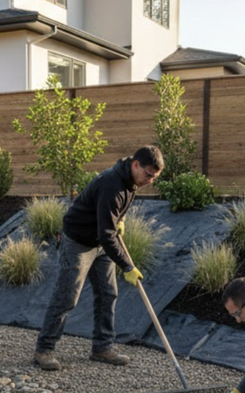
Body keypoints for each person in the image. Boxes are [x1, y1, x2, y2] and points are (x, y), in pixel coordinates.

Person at [33, 146, 163, 371]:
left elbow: (114, 217)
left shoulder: (130, 182)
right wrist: (127, 266)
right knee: (67, 296)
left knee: (107, 293)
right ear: (135, 165)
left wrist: (120, 220)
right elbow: (106, 234)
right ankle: (44, 349)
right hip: (78, 242)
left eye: (154, 177)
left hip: (100, 244)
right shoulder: (112, 184)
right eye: (149, 175)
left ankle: (102, 348)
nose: (150, 181)